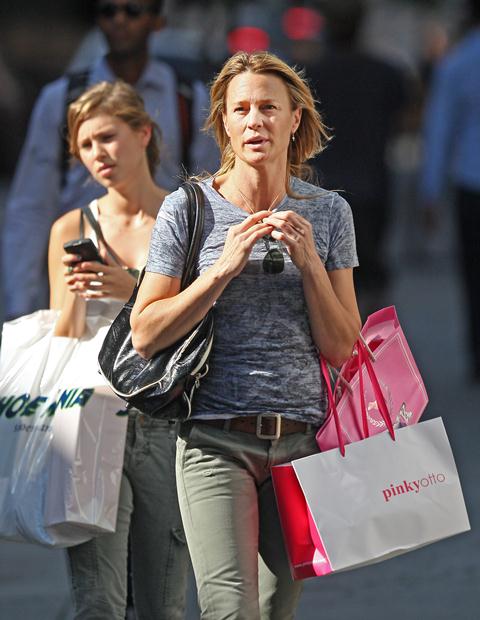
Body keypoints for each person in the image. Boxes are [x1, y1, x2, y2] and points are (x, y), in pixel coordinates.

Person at [130, 51, 361, 619]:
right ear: (224, 124)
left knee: (276, 609)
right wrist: (220, 271)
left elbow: (344, 349)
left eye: (268, 108)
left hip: (300, 445)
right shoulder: (188, 209)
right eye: (241, 109)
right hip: (215, 439)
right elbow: (145, 333)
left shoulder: (330, 213)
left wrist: (311, 265)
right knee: (230, 610)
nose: (255, 120)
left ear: (294, 119)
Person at [48, 80, 189, 620]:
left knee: (162, 603)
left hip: (164, 420)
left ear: (143, 133)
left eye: (107, 137)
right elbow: (64, 339)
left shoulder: (185, 216)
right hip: (90, 422)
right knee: (97, 602)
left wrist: (132, 288)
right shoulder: (72, 226)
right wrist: (77, 297)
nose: (97, 154)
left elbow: (202, 321)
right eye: (84, 146)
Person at [2, 0, 219, 320]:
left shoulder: (188, 98)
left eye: (132, 11)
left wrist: (136, 288)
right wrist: (20, 308)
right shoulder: (61, 98)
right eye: (107, 11)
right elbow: (31, 206)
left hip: (162, 278)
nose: (119, 20)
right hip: (84, 275)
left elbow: (210, 201)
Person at [299, 0, 408, 316]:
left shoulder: (309, 75)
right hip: (372, 189)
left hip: (321, 191)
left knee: (323, 280)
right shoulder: (385, 73)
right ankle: (365, 340)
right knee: (368, 280)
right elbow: (407, 121)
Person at [420, 0, 480, 382]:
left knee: (473, 272)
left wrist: (431, 191)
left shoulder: (458, 63)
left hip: (471, 183)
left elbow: (440, 130)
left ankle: (477, 354)